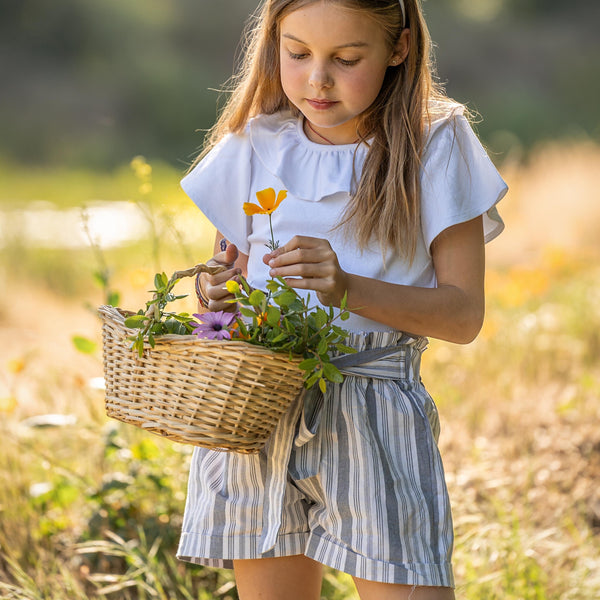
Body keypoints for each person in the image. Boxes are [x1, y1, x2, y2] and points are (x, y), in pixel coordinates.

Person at [176, 1, 507, 598]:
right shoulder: (256, 143)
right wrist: (213, 291)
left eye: (346, 59)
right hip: (262, 410)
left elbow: (463, 316)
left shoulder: (435, 143)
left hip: (376, 415)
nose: (315, 79)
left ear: (400, 48)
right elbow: (221, 286)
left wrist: (347, 288)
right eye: (297, 53)